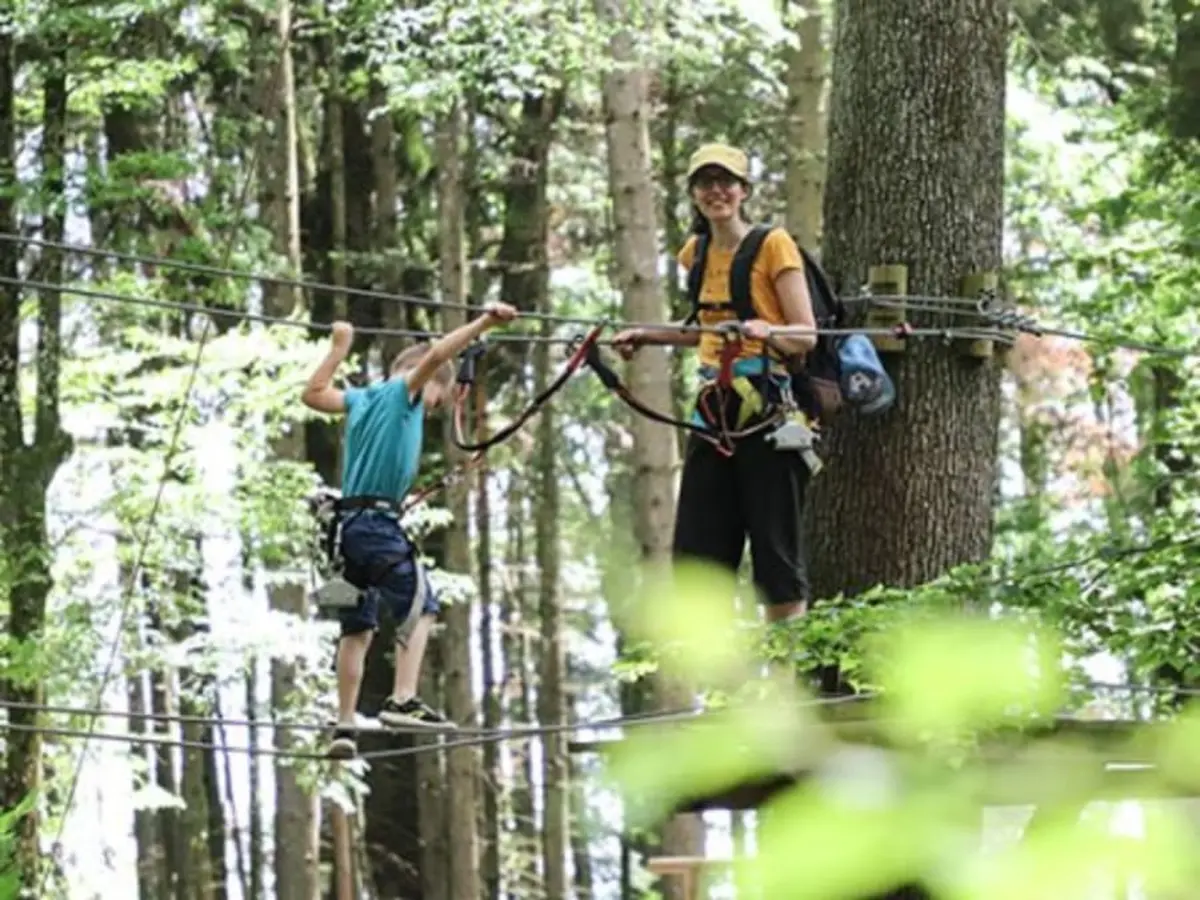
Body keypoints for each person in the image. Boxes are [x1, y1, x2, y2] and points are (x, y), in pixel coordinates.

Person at [612, 142, 818, 625]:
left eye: (726, 182)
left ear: (744, 190)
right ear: (693, 194)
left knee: (775, 553)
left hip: (768, 408)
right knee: (698, 553)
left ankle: (786, 664)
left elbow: (806, 335)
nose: (716, 191)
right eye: (705, 183)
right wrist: (648, 335)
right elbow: (705, 330)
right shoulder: (696, 253)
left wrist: (770, 332)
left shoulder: (773, 245)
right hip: (713, 409)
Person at [301, 302, 519, 758]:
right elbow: (437, 355)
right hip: (376, 527)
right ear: (426, 381)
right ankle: (403, 698)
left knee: (357, 630)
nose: (432, 408)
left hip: (347, 532)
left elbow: (313, 394)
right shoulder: (404, 393)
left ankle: (345, 726)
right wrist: (484, 322)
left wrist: (338, 350)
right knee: (422, 606)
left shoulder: (361, 399)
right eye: (437, 399)